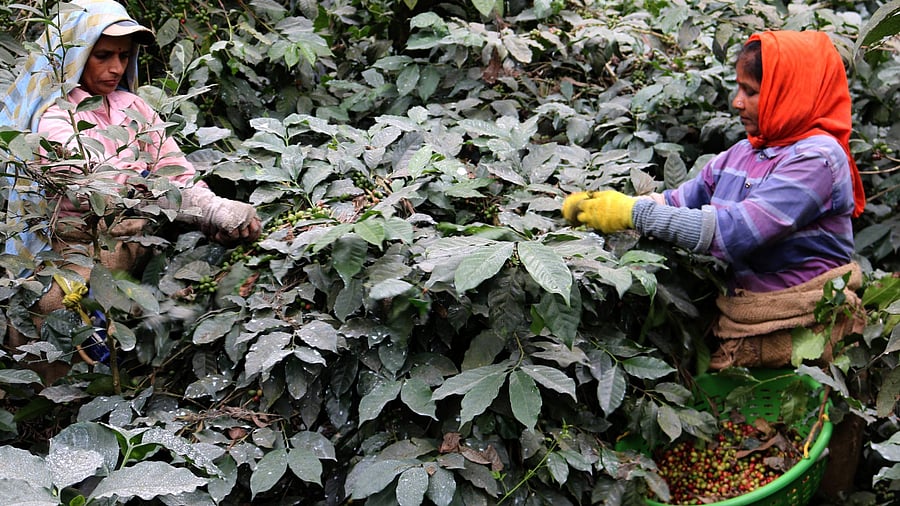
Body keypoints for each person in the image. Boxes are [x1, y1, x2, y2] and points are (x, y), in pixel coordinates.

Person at [562, 30, 867, 369]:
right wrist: (598, 208)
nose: (738, 101)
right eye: (739, 89)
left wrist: (632, 212)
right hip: (740, 321)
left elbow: (733, 232)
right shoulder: (745, 152)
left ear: (789, 93)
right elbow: (679, 201)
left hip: (803, 327)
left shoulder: (819, 159)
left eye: (750, 91)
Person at [0, 0, 261, 370]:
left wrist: (216, 210)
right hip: (74, 247)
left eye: (123, 56)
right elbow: (91, 184)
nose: (116, 68)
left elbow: (174, 175)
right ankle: (51, 405)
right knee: (50, 310)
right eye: (103, 55)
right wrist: (151, 187)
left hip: (136, 240)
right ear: (73, 57)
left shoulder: (134, 107)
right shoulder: (53, 117)